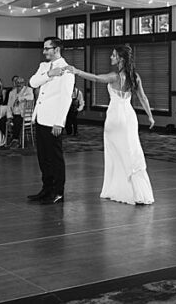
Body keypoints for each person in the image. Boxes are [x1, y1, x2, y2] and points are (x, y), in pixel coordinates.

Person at [66, 45, 156, 205]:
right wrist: (150, 116)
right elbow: (143, 98)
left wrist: (76, 71)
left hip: (115, 117)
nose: (111, 57)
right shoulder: (135, 77)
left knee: (115, 153)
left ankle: (119, 189)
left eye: (114, 55)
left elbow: (95, 78)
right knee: (131, 150)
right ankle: (137, 191)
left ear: (121, 58)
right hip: (129, 116)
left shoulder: (114, 76)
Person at [27, 37, 75, 205]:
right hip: (40, 118)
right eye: (44, 48)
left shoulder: (67, 70)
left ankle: (58, 192)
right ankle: (46, 189)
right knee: (43, 157)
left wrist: (59, 122)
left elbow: (66, 98)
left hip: (53, 120)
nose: (44, 51)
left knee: (55, 158)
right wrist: (49, 74)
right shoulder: (44, 66)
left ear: (57, 49)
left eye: (47, 48)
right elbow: (32, 82)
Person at [0, 76, 34, 144]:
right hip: (13, 114)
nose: (19, 84)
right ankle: (9, 135)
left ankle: (15, 140)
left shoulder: (28, 90)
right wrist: (9, 117)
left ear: (24, 83)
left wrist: (20, 99)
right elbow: (9, 106)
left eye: (21, 83)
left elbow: (31, 97)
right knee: (0, 122)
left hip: (23, 114)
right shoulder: (12, 92)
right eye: (17, 82)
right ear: (15, 83)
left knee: (17, 121)